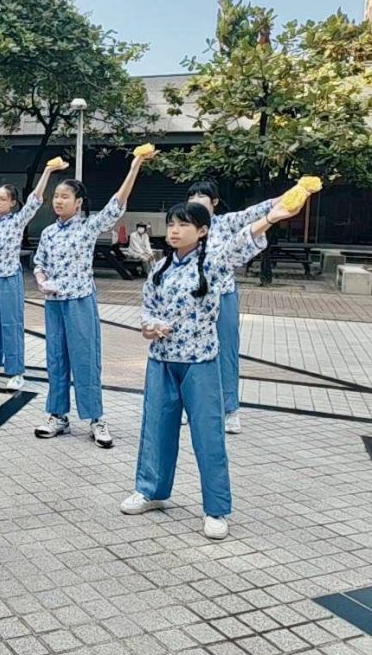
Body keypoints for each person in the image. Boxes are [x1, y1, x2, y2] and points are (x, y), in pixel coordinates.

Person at [121, 196, 305, 540]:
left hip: (200, 363)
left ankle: (216, 509)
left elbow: (240, 243)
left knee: (208, 436)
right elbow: (147, 307)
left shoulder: (214, 263)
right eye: (172, 224)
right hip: (161, 361)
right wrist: (149, 326)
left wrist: (271, 219)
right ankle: (151, 491)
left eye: (184, 225)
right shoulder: (160, 268)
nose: (174, 231)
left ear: (202, 231)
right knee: (156, 429)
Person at [33, 149, 157, 448]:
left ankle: (96, 418)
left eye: (65, 196)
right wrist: (41, 281)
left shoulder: (88, 227)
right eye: (56, 196)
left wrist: (136, 165)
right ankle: (58, 415)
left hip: (79, 302)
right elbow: (39, 263)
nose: (58, 200)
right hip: (54, 304)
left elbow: (117, 203)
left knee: (85, 360)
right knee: (56, 358)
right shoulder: (48, 232)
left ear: (78, 203)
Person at [184, 181, 289, 434]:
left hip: (223, 297)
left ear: (215, 202)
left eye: (203, 196)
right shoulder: (186, 226)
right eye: (192, 196)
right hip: (193, 300)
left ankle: (230, 410)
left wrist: (287, 197)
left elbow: (254, 213)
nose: (196, 200)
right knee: (190, 353)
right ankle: (192, 406)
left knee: (227, 352)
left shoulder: (226, 223)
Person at [0, 161, 65, 391]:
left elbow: (35, 201)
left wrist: (48, 171)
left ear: (12, 202)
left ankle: (16, 371)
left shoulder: (18, 220)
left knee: (11, 323)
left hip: (10, 278)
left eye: (2, 198)